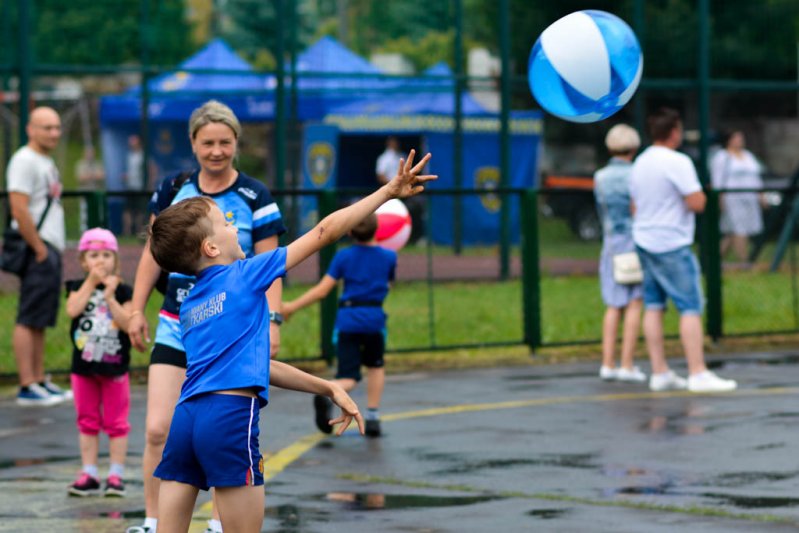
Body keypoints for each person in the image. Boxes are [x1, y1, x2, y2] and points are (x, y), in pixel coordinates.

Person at [147, 149, 435, 532]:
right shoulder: (247, 274)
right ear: (211, 248)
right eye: (226, 222)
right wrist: (386, 193)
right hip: (229, 416)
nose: (234, 226)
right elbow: (324, 232)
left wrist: (327, 386)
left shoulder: (190, 305)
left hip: (187, 419)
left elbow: (254, 366)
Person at [125, 100, 286, 533]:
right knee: (160, 427)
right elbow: (151, 253)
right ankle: (153, 517)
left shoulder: (255, 196)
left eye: (225, 142)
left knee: (220, 425)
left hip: (228, 325)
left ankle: (219, 521)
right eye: (208, 142)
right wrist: (136, 308)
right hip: (179, 321)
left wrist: (273, 321)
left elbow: (271, 264)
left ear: (236, 143)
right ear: (193, 143)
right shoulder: (173, 189)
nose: (217, 150)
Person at [630, 107, 737, 393]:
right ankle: (697, 372)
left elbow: (634, 205)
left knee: (653, 305)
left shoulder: (640, 162)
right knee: (690, 306)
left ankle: (660, 371)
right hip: (671, 241)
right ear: (674, 132)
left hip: (644, 237)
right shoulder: (678, 162)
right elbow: (697, 202)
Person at [282, 212, 395, 438]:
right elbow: (388, 285)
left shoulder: (344, 257)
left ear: (350, 230)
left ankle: (329, 390)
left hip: (348, 320)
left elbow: (323, 290)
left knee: (349, 376)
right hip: (374, 319)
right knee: (376, 366)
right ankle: (372, 416)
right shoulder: (389, 256)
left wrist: (292, 306)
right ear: (377, 230)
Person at [6, 106, 70, 406]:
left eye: (57, 127)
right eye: (47, 127)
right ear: (31, 129)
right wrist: (39, 247)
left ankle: (39, 378)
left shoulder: (45, 161)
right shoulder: (24, 160)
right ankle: (26, 383)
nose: (54, 133)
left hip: (48, 245)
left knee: (41, 318)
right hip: (37, 247)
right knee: (28, 315)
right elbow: (19, 208)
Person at [65, 228, 133, 498]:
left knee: (116, 422)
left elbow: (128, 323)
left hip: (115, 366)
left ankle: (115, 474)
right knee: (87, 420)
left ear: (115, 259)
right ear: (84, 261)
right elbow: (72, 309)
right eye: (94, 255)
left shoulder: (124, 290)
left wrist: (110, 297)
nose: (101, 261)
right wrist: (91, 284)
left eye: (107, 255)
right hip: (83, 367)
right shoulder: (75, 287)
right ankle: (89, 472)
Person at [594, 124, 645, 383]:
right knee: (635, 302)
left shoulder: (600, 176)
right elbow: (638, 208)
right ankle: (627, 364)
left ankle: (607, 364)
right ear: (633, 147)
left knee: (613, 304)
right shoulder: (637, 174)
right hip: (633, 241)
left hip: (611, 243)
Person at [710, 129, 764, 263]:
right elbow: (717, 179)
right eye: (736, 137)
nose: (740, 140)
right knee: (739, 229)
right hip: (732, 198)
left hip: (749, 197)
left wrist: (761, 194)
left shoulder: (748, 155)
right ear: (729, 140)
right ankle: (745, 262)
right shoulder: (722, 157)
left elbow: (756, 177)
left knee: (731, 232)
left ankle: (713, 262)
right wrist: (720, 199)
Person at [376, 136, 426, 244]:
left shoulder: (402, 156)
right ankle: (387, 237)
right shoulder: (384, 158)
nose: (395, 144)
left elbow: (408, 174)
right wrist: (392, 187)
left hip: (403, 191)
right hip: (389, 193)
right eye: (392, 142)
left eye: (396, 142)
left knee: (414, 208)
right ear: (388, 143)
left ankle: (413, 238)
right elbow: (380, 175)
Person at [123, 134, 148, 236]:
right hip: (130, 187)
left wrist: (147, 183)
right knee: (127, 209)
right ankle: (127, 231)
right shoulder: (129, 156)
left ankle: (138, 231)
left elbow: (151, 169)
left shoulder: (143, 156)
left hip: (139, 187)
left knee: (139, 210)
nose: (132, 145)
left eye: (134, 142)